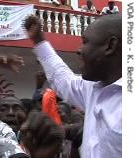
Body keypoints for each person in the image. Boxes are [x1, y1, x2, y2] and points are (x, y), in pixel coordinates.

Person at [22, 14, 121, 158]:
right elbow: (62, 79)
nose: (79, 50)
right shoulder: (93, 87)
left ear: (110, 46)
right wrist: (38, 40)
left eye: (85, 42)